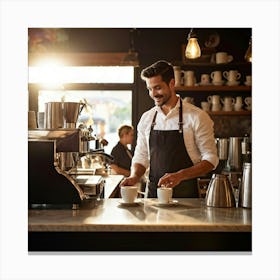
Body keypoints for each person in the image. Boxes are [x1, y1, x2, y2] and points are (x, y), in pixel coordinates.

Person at [121, 60, 219, 198]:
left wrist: (180, 175)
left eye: (158, 88)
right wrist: (134, 177)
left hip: (187, 197)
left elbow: (211, 159)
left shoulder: (197, 117)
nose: (153, 94)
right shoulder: (147, 118)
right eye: (150, 89)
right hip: (153, 197)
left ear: (172, 84)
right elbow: (141, 157)